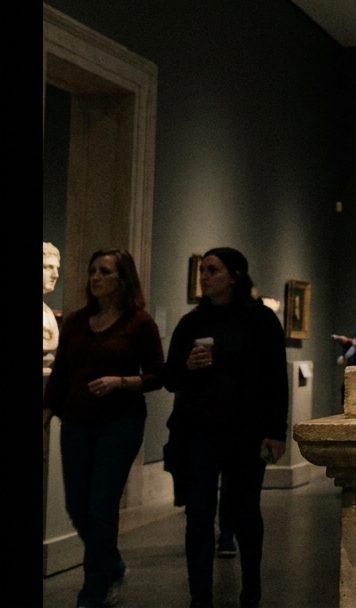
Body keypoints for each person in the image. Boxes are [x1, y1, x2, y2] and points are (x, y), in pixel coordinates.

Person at [163, 247, 288, 608]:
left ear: (234, 276)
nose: (204, 277)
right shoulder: (192, 323)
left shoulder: (261, 319)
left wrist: (276, 431)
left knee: (246, 511)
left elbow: (275, 378)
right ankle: (200, 596)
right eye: (202, 270)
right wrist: (188, 365)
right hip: (199, 431)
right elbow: (170, 377)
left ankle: (251, 590)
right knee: (198, 515)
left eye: (213, 270)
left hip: (246, 431)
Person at [43, 248, 165, 608]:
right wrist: (45, 417)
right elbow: (60, 375)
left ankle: (92, 594)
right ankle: (113, 565)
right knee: (77, 507)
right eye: (93, 271)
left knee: (101, 507)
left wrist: (120, 381)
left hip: (120, 423)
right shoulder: (76, 321)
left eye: (105, 272)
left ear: (122, 278)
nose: (96, 277)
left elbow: (158, 376)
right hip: (76, 423)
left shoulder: (139, 323)